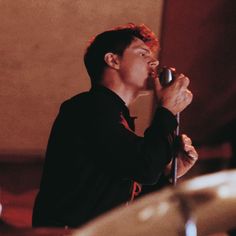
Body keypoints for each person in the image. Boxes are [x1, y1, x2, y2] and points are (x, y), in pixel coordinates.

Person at [32, 23, 198, 228]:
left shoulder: (115, 116)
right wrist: (166, 111)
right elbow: (144, 167)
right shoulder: (87, 108)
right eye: (143, 54)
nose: (154, 62)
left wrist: (168, 172)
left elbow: (129, 194)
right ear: (113, 60)